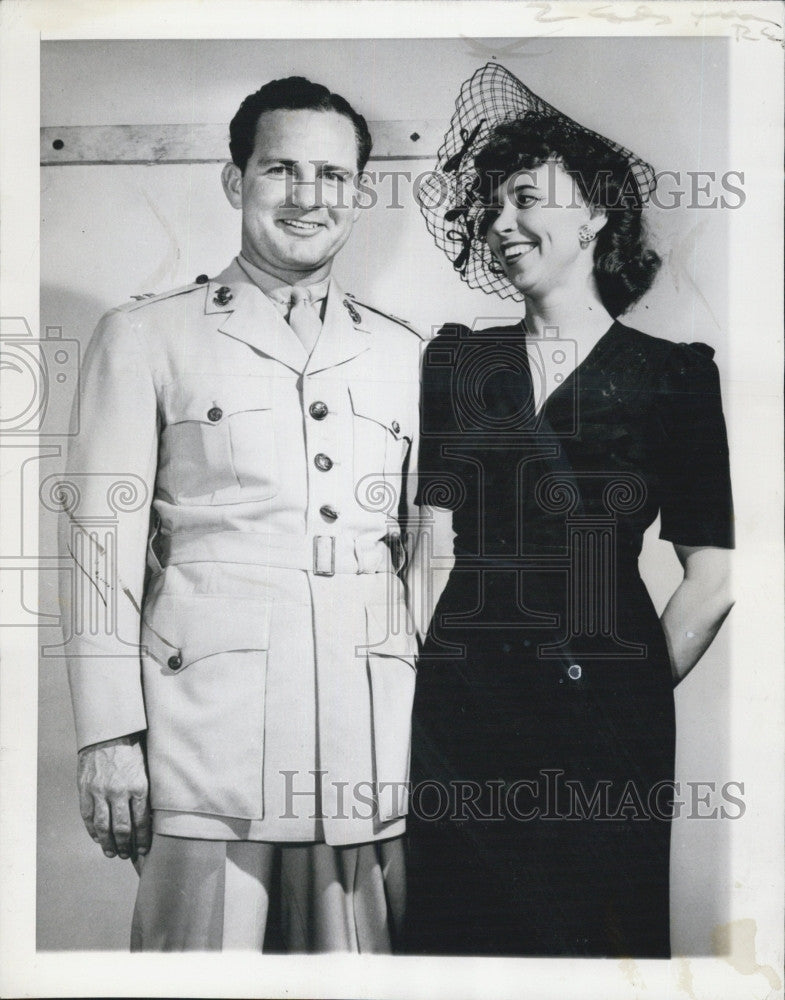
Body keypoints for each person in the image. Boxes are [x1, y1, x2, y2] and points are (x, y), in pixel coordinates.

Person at [60, 76, 422, 952]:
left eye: (333, 176)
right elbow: (95, 544)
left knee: (365, 969)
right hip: (203, 734)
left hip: (368, 740)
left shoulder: (405, 351)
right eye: (280, 170)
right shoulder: (148, 334)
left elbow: (426, 557)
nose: (309, 197)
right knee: (200, 965)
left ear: (362, 194)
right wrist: (109, 734)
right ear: (235, 181)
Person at [404, 63, 734, 957]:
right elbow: (428, 541)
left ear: (592, 214)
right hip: (463, 699)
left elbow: (715, 572)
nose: (501, 224)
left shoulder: (673, 375)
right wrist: (427, 680)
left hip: (606, 707)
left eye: (523, 199)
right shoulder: (458, 364)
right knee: (455, 937)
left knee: (597, 939)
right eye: (492, 206)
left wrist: (626, 688)